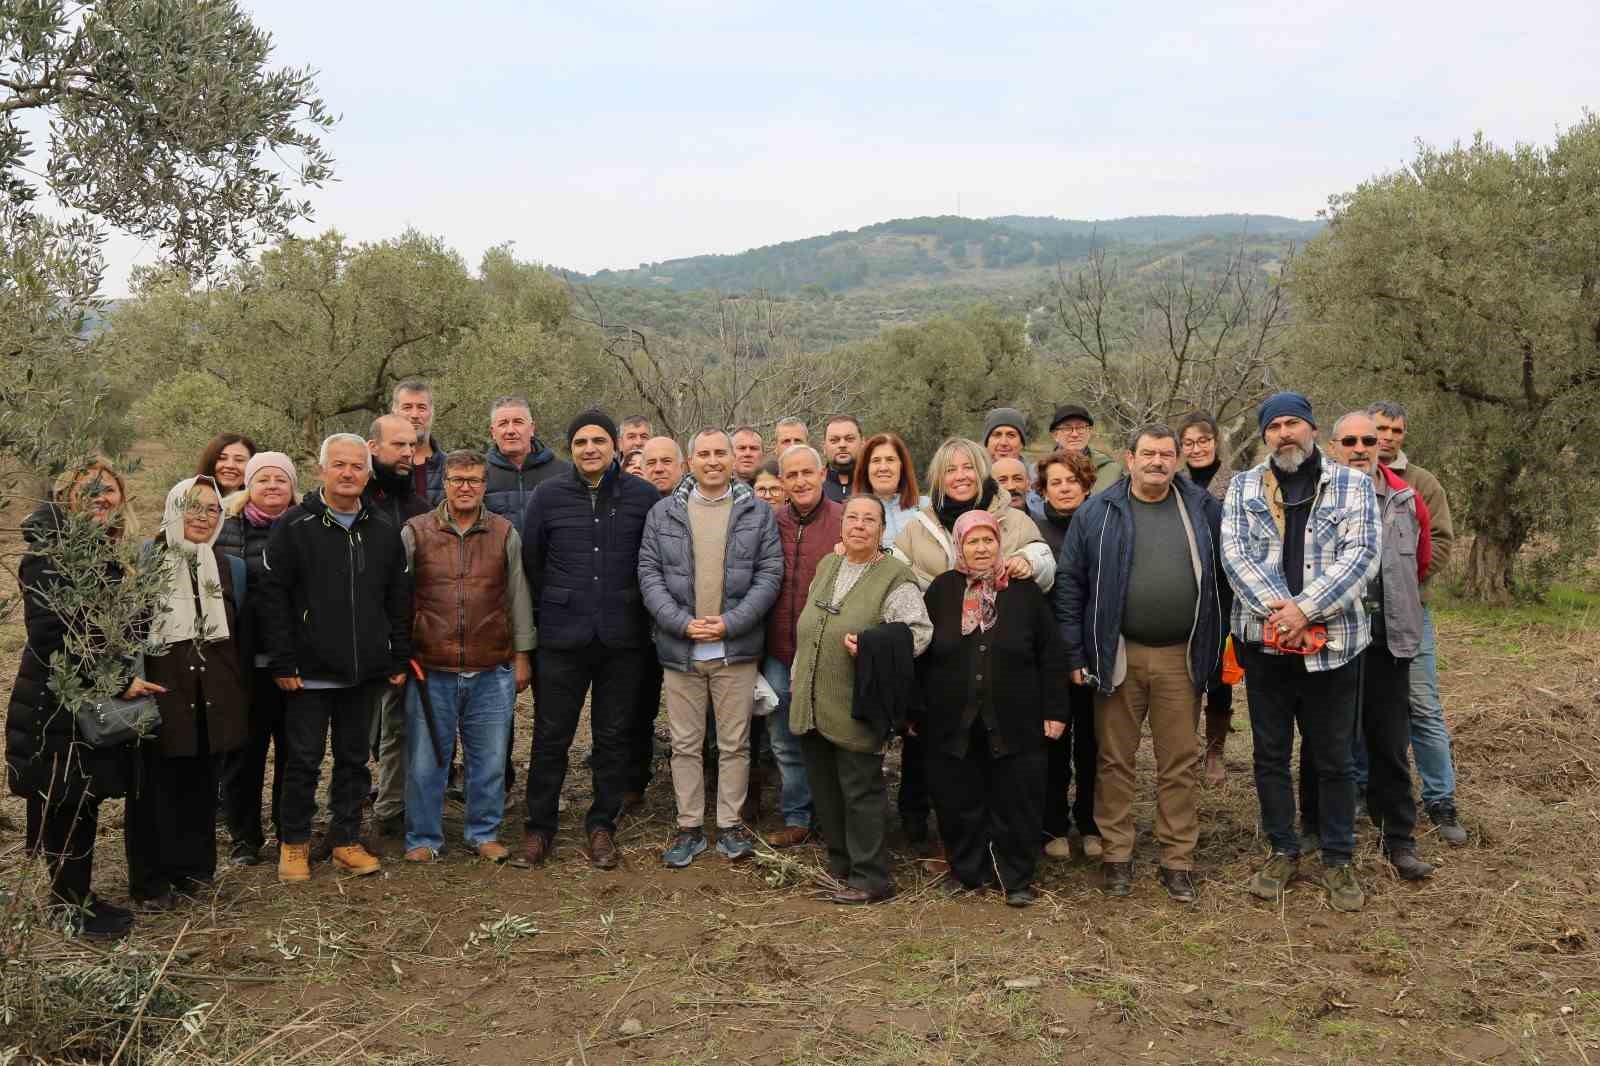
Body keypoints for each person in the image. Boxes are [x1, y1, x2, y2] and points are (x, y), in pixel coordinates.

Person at [1220, 393, 1380, 912]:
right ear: (1265, 434)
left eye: (1294, 423)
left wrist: (1305, 610)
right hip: (1264, 647)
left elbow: (1362, 556)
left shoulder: (1353, 485)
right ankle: (1282, 850)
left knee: (1333, 757)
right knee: (1269, 755)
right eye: (1275, 426)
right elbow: (1236, 555)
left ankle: (1337, 857)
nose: (1285, 433)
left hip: (1334, 646)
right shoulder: (1243, 488)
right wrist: (1280, 613)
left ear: (1312, 430)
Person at [1057, 424, 1225, 903]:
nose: (1157, 461)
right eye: (1148, 453)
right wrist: (1076, 652)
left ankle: (1177, 859)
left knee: (1179, 761)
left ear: (1177, 460)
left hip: (1181, 654)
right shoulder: (1098, 512)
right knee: (1115, 760)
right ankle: (1117, 855)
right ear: (1128, 459)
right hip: (1118, 653)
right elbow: (1071, 584)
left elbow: (1224, 580)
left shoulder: (1201, 508)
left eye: (1166, 454)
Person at [7, 457, 156, 939]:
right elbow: (53, 635)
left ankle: (77, 899)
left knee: (81, 798)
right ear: (66, 496)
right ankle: (68, 907)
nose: (102, 497)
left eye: (110, 490)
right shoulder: (49, 557)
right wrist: (116, 681)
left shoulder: (106, 553)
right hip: (55, 701)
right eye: (90, 489)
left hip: (80, 703)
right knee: (65, 799)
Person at [261, 433, 412, 884]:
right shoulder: (293, 526)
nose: (349, 474)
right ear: (322, 470)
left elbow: (398, 599)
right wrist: (283, 662)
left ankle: (346, 839)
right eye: (340, 465)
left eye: (357, 467)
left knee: (352, 760)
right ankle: (295, 844)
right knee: (303, 761)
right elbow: (273, 599)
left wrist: (398, 656)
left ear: (368, 474)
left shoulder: (384, 529)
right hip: (307, 673)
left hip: (363, 671)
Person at [890, 436, 1053, 845]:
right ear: (937, 479)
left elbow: (1044, 561)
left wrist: (1026, 562)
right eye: (950, 469)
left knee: (999, 757)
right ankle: (928, 829)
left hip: (1000, 663)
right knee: (935, 752)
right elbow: (895, 575)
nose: (960, 477)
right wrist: (939, 591)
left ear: (981, 472)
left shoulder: (1013, 519)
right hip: (941, 657)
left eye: (968, 468)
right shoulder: (917, 525)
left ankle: (1004, 843)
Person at [637, 428, 782, 868]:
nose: (713, 460)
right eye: (704, 453)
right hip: (681, 650)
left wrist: (730, 623)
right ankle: (689, 827)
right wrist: (681, 623)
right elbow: (649, 573)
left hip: (734, 648)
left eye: (722, 453)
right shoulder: (664, 513)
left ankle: (731, 825)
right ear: (690, 461)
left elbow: (769, 574)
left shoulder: (757, 513)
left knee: (735, 744)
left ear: (735, 459)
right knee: (685, 743)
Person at [521, 412, 659, 869]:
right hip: (563, 638)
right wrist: (560, 604)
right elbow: (534, 561)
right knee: (550, 736)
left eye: (599, 440)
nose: (590, 448)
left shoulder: (642, 497)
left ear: (616, 445)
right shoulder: (548, 494)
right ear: (570, 448)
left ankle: (602, 825)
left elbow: (652, 560)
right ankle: (539, 828)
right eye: (580, 441)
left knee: (612, 736)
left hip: (623, 637)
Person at [1301, 413, 1434, 881]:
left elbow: (1420, 564)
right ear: (1333, 446)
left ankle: (1398, 837)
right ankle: (1315, 828)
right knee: (1324, 739)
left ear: (1383, 445)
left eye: (1369, 440)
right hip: (1330, 635)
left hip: (1387, 638)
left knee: (1390, 741)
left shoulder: (1405, 497)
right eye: (1350, 441)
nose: (1360, 448)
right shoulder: (1315, 495)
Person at [921, 510, 1067, 907]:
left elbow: (1051, 655)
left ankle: (1015, 878)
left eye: (988, 540)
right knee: (958, 799)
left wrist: (1055, 711)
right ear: (960, 545)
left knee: (1015, 800)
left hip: (1016, 717)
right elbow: (923, 654)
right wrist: (917, 711)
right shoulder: (941, 590)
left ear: (1000, 545)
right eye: (973, 541)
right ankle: (966, 872)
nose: (981, 548)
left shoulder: (1024, 591)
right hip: (953, 719)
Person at [789, 495, 931, 903]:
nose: (859, 525)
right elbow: (810, 628)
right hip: (813, 698)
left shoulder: (894, 575)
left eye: (870, 519)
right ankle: (842, 865)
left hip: (858, 701)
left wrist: (872, 647)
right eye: (852, 517)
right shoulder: (828, 565)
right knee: (825, 785)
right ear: (841, 524)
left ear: (882, 529)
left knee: (860, 789)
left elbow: (918, 632)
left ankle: (872, 877)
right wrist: (799, 680)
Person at [400, 449, 533, 864]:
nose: (465, 487)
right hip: (429, 667)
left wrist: (523, 655)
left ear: (484, 484)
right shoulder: (416, 531)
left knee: (490, 758)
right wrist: (400, 656)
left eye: (474, 480)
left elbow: (518, 597)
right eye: (457, 479)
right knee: (426, 760)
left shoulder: (504, 533)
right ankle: (423, 836)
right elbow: (399, 599)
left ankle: (483, 832)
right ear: (445, 481)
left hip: (491, 666)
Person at [125, 477, 250, 910]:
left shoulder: (226, 564)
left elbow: (238, 631)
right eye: (192, 507)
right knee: (155, 788)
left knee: (200, 784)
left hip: (213, 689)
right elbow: (126, 631)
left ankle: (193, 869)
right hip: (162, 688)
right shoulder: (145, 560)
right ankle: (151, 881)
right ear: (174, 508)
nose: (202, 517)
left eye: (212, 509)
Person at [1368, 400, 1468, 845]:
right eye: (1379, 429)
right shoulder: (1347, 478)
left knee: (1423, 706)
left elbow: (1441, 541)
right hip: (1357, 616)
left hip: (1411, 614)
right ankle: (1360, 793)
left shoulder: (1423, 483)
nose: (1387, 437)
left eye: (1395, 430)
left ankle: (1440, 799)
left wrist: (1405, 583)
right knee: (1355, 709)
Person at [217, 451, 301, 866]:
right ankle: (244, 838)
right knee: (244, 755)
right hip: (242, 663)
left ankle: (289, 831)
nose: (272, 486)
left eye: (280, 480)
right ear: (250, 485)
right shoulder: (226, 527)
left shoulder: (305, 527)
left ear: (292, 488)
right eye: (263, 479)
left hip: (294, 664)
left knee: (294, 752)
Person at [761, 445, 844, 848]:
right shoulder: (769, 522)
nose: (800, 481)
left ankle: (834, 817)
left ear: (822, 472)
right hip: (779, 648)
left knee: (831, 736)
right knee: (784, 737)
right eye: (791, 475)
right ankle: (797, 816)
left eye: (807, 473)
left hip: (830, 653)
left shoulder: (846, 521)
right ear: (782, 482)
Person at [1027, 450, 1101, 860]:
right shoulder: (1035, 531)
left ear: (1086, 484)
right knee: (1052, 740)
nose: (1065, 487)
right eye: (1056, 482)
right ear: (1044, 489)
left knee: (1093, 742)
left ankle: (1090, 822)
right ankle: (1052, 824)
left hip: (1094, 651)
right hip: (1046, 655)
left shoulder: (1103, 526)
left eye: (1072, 480)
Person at [365, 413, 432, 836]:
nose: (408, 453)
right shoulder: (356, 500)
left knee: (399, 728)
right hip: (358, 635)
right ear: (373, 447)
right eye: (398, 445)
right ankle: (345, 817)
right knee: (357, 734)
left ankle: (391, 809)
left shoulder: (418, 506)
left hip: (406, 637)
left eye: (412, 446)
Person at [622, 435, 685, 804]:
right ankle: (633, 781)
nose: (658, 469)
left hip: (684, 623)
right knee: (636, 706)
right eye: (652, 463)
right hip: (635, 624)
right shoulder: (628, 504)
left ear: (681, 466)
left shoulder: (694, 503)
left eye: (666, 462)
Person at [1176, 411, 1238, 787]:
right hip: (1185, 590)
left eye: (1203, 441)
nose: (1197, 448)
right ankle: (1185, 744)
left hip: (1224, 590)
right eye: (1189, 443)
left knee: (1220, 672)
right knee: (1184, 670)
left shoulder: (1236, 483)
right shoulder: (1176, 483)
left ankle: (1215, 750)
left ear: (1216, 442)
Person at [484, 395, 571, 533]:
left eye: (518, 422)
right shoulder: (479, 474)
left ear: (532, 428)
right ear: (493, 432)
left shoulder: (564, 472)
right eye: (503, 424)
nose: (511, 431)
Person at [851, 432, 922, 550]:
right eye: (876, 460)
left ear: (902, 466)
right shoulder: (850, 516)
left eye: (890, 460)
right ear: (865, 469)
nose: (883, 468)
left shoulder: (926, 509)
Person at [1048, 404, 1121, 493]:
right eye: (1067, 428)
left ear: (1089, 432)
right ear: (1055, 435)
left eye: (1080, 428)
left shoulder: (1111, 470)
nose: (1074, 434)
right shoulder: (1038, 472)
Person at [393, 378, 445, 502]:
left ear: (431, 412)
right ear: (394, 411)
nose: (415, 415)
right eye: (407, 407)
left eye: (421, 408)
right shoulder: (380, 467)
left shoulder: (450, 467)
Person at [821, 415, 864, 502]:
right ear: (824, 447)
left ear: (863, 444)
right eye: (834, 440)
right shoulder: (812, 487)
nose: (842, 445)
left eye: (849, 439)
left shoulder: (875, 485)